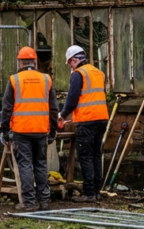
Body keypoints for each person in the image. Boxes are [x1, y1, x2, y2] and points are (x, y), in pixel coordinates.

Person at [0, 46, 58, 211]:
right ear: (35, 62)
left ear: (20, 62)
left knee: (25, 165)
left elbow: (6, 108)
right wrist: (52, 131)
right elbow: (54, 109)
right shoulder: (46, 79)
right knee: (40, 164)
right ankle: (45, 201)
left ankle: (29, 203)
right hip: (41, 129)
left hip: (21, 130)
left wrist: (4, 130)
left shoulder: (14, 80)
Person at [57, 45, 110, 203]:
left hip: (87, 121)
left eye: (69, 63)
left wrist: (61, 116)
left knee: (85, 156)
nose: (70, 67)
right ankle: (96, 191)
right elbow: (91, 99)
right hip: (101, 119)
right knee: (95, 155)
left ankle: (88, 193)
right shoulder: (98, 73)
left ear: (74, 60)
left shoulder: (78, 74)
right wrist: (74, 118)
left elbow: (72, 100)